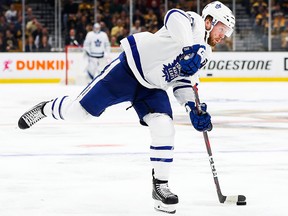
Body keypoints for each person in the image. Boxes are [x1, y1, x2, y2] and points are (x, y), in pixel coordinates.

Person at [18, 1, 235, 214]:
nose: (223, 36)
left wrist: (192, 109)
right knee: (78, 113)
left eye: (227, 33)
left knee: (164, 127)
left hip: (152, 88)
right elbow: (173, 16)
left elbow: (183, 82)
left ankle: (160, 187)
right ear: (209, 21)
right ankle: (45, 108)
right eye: (222, 29)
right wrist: (189, 49)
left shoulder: (205, 54)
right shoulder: (194, 23)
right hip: (128, 71)